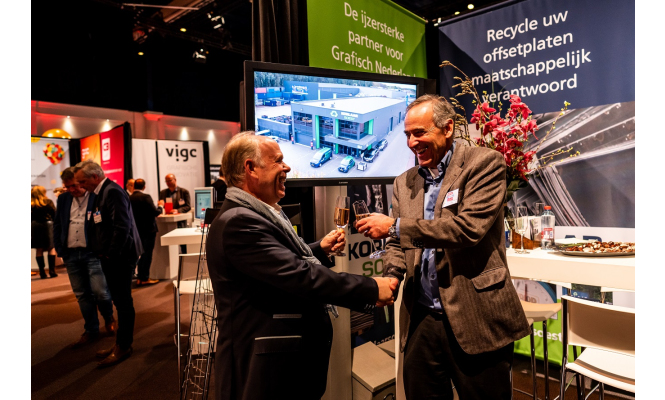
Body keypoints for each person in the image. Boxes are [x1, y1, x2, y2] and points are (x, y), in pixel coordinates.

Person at [356, 95, 530, 400]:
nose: (411, 142)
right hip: (422, 317)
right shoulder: (404, 182)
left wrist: (394, 226)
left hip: (476, 313)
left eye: (419, 133)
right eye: (407, 134)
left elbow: (466, 229)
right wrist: (393, 275)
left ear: (447, 128)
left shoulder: (485, 163)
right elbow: (398, 243)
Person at [206, 132, 397, 400]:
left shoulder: (255, 212)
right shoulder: (240, 222)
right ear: (250, 168)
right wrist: (371, 288)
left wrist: (319, 249)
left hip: (277, 366)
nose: (286, 168)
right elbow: (301, 276)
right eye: (278, 161)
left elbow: (277, 266)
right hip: (264, 373)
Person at [74, 161, 143, 368]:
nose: (80, 186)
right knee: (119, 301)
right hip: (111, 256)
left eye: (82, 181)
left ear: (95, 177)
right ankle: (120, 343)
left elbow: (122, 226)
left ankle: (124, 346)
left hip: (119, 257)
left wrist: (110, 254)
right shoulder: (99, 192)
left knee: (123, 302)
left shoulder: (112, 191)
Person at [53, 167, 117, 348]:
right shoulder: (63, 199)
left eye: (74, 185)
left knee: (100, 292)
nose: (72, 190)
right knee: (82, 295)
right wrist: (60, 249)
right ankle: (91, 329)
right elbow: (58, 225)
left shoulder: (96, 196)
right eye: (68, 187)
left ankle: (108, 316)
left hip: (92, 252)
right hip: (71, 253)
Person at [129, 179, 161, 286]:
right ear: (144, 187)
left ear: (134, 186)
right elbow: (155, 212)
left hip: (136, 231)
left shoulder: (129, 198)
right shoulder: (146, 197)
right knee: (147, 254)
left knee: (140, 254)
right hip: (148, 230)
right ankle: (144, 278)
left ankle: (140, 277)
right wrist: (161, 206)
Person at [31, 186, 57, 279]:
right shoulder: (48, 202)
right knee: (51, 248)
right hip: (47, 225)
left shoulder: (30, 204)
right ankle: (52, 271)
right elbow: (54, 214)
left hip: (35, 226)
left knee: (39, 249)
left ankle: (42, 272)